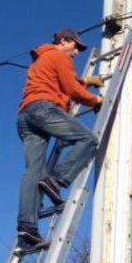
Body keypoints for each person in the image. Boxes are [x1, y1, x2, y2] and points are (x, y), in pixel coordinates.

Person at [16, 27, 103, 248]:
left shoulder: (43, 59)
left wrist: (87, 81)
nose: (76, 53)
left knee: (33, 171)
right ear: (64, 41)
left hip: (26, 115)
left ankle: (27, 229)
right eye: (75, 47)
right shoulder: (58, 56)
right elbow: (72, 89)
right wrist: (95, 100)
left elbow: (66, 81)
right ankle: (57, 180)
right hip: (44, 109)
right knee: (88, 140)